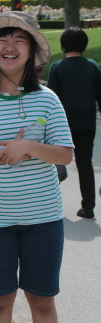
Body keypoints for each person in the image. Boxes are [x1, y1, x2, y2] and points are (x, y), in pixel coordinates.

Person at [0, 12, 74, 323]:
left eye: (19, 40)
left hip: (43, 220)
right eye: (3, 40)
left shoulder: (48, 100)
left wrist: (27, 147)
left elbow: (64, 156)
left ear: (31, 52)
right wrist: (4, 154)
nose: (10, 46)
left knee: (42, 302)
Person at [47, 27, 101, 219]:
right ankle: (88, 207)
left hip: (62, 125)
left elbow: (49, 100)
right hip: (86, 124)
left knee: (54, 163)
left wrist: (40, 122)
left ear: (62, 45)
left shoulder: (57, 67)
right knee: (84, 164)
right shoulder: (93, 66)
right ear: (85, 46)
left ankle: (49, 203)